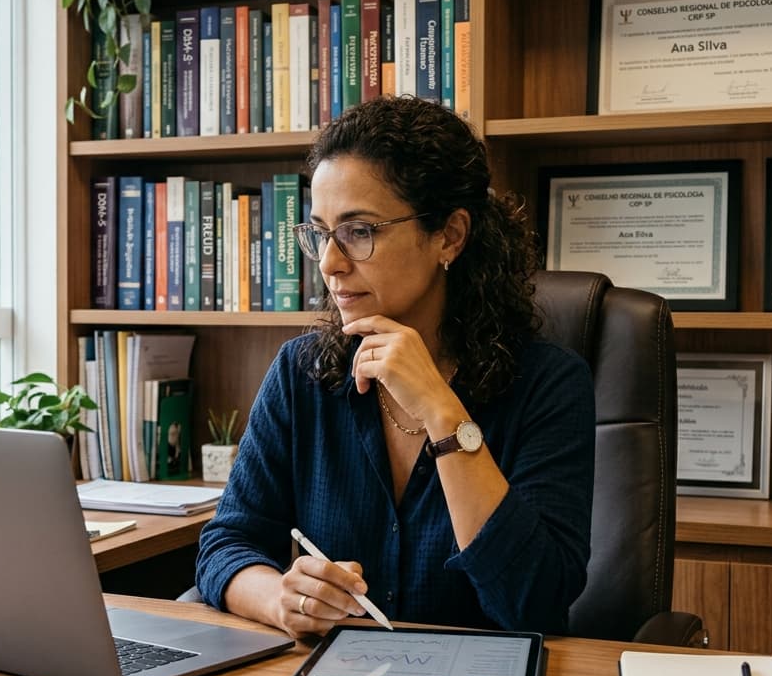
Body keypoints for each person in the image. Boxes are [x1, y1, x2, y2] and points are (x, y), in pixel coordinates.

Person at [194, 96, 595, 638]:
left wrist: (441, 411)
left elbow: (535, 602)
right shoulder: (301, 372)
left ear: (449, 235)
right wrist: (280, 599)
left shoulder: (549, 384)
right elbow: (226, 543)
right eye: (320, 233)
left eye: (360, 232)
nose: (331, 264)